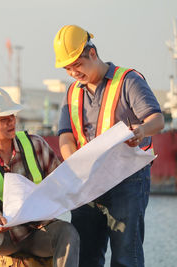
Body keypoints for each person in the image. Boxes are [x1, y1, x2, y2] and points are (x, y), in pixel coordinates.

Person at [53, 25, 165, 267]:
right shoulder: (72, 92)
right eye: (68, 68)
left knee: (126, 255)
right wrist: (75, 166)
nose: (73, 73)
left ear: (92, 53)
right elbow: (65, 135)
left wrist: (141, 131)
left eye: (77, 65)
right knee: (85, 256)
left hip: (127, 180)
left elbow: (157, 120)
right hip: (88, 182)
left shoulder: (128, 81)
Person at [0, 86, 80, 267]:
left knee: (67, 232)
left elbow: (60, 179)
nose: (11, 122)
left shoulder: (36, 145)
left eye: (12, 116)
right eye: (3, 119)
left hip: (40, 232)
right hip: (7, 236)